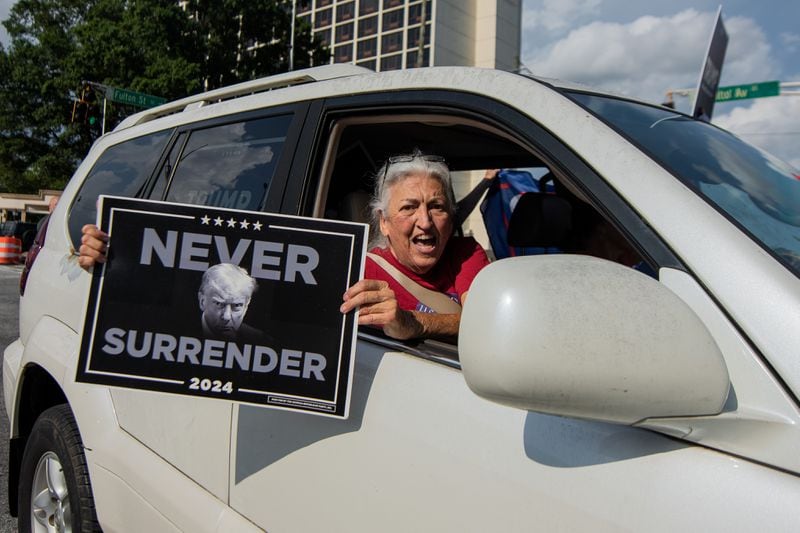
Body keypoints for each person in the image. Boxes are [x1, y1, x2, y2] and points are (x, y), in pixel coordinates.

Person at [340, 151, 490, 341]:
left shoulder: (466, 254)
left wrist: (414, 322)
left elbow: (483, 323)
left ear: (451, 220)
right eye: (409, 207)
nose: (425, 222)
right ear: (383, 222)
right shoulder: (360, 272)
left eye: (437, 206)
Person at [197, 263, 265, 342]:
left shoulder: (262, 341)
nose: (227, 317)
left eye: (236, 305)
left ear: (246, 305)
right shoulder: (181, 329)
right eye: (219, 304)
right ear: (202, 301)